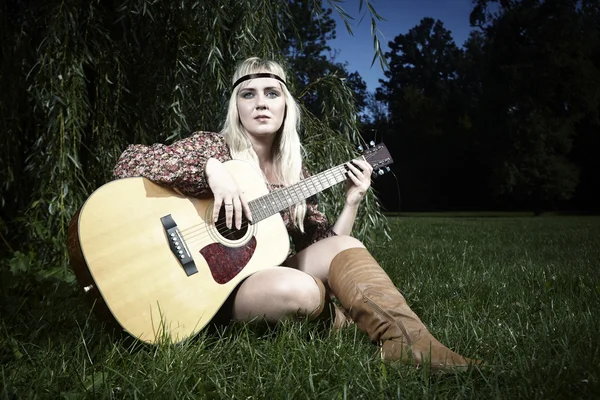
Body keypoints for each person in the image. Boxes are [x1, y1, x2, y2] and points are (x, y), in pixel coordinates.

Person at [114, 57, 479, 371]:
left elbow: (326, 249)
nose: (261, 103)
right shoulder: (213, 146)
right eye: (248, 94)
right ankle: (348, 319)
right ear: (235, 106)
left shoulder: (295, 175)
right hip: (212, 291)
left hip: (260, 279)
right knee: (303, 291)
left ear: (285, 105)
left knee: (334, 258)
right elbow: (129, 161)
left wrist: (352, 201)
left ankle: (410, 345)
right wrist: (212, 171)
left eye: (271, 94)